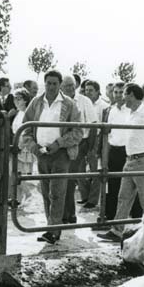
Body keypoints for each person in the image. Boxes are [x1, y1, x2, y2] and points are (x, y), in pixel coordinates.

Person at [21, 70, 82, 245]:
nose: (52, 86)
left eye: (55, 83)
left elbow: (78, 131)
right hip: (41, 154)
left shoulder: (69, 104)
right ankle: (50, 227)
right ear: (44, 83)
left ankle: (53, 230)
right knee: (46, 192)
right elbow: (25, 126)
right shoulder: (36, 102)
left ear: (60, 85)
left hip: (60, 154)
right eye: (49, 83)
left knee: (57, 192)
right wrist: (33, 147)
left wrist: (60, 143)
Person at [97, 83, 144, 242]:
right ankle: (117, 231)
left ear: (131, 95)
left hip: (143, 159)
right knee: (123, 197)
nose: (122, 97)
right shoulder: (130, 113)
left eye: (125, 94)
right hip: (130, 159)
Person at [61, 74, 98, 223]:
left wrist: (90, 148)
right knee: (63, 179)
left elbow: (94, 124)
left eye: (72, 85)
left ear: (76, 85)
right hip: (62, 143)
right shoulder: (60, 100)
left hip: (80, 143)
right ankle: (67, 214)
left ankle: (68, 215)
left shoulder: (84, 101)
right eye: (66, 86)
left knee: (69, 179)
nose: (69, 88)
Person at [102, 82, 129, 219]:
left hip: (127, 151)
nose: (118, 95)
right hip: (114, 150)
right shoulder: (110, 110)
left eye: (121, 92)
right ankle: (110, 215)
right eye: (116, 92)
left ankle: (131, 216)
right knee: (112, 184)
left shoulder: (130, 110)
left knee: (127, 186)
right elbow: (107, 134)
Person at [80, 80, 105, 208]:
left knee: (95, 170)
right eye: (86, 90)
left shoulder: (103, 106)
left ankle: (93, 200)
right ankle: (84, 195)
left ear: (97, 91)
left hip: (97, 139)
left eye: (90, 90)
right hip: (83, 138)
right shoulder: (82, 102)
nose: (87, 92)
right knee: (79, 169)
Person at [11, 88, 34, 206]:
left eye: (19, 99)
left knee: (17, 173)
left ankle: (28, 193)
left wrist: (20, 146)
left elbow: (27, 131)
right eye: (15, 99)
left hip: (23, 145)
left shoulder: (27, 113)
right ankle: (17, 199)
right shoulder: (18, 113)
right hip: (16, 142)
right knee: (15, 172)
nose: (16, 101)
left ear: (25, 100)